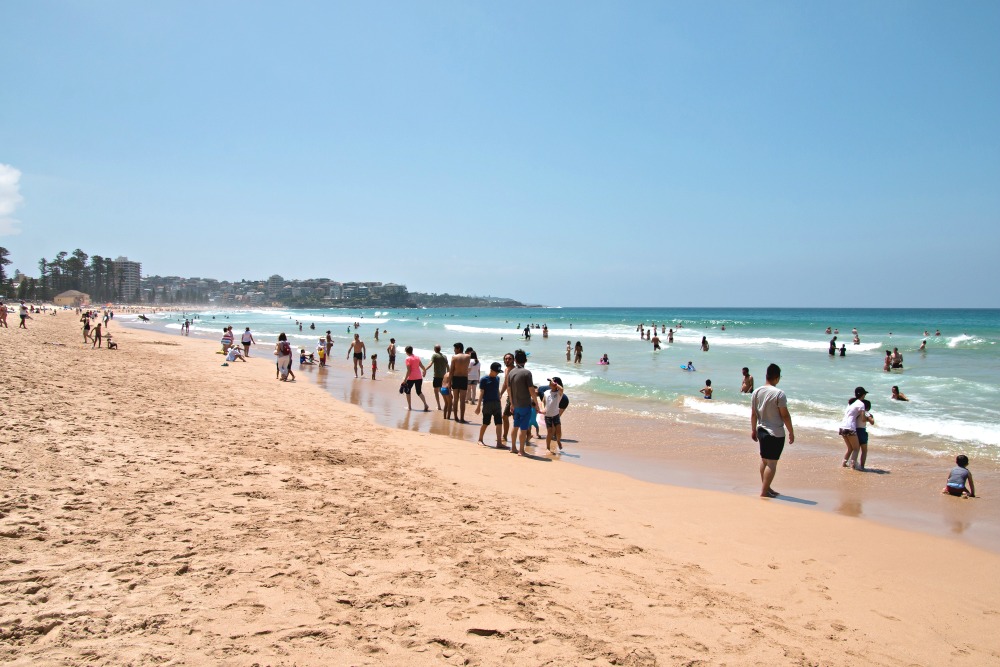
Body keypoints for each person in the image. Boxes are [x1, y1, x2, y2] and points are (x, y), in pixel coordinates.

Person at [750, 363, 794, 498]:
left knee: (764, 460)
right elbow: (785, 415)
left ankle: (767, 487)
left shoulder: (756, 392)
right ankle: (764, 491)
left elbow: (753, 414)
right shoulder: (779, 394)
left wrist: (753, 430)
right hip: (775, 432)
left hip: (761, 430)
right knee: (772, 463)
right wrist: (791, 431)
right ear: (777, 377)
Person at [506, 350, 537, 456]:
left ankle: (513, 447)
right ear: (526, 360)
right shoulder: (527, 373)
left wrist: (511, 403)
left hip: (515, 404)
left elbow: (509, 389)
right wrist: (536, 402)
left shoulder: (511, 372)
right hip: (525, 405)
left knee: (515, 426)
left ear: (515, 360)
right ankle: (521, 450)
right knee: (523, 429)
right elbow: (531, 390)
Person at [839, 387, 869, 470]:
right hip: (850, 427)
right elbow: (863, 419)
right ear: (862, 394)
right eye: (865, 394)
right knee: (856, 448)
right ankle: (852, 466)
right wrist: (868, 419)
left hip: (842, 427)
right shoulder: (861, 404)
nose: (865, 395)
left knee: (850, 448)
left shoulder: (851, 402)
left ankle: (844, 464)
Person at [476, 362, 505, 447]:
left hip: (496, 403)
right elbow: (481, 393)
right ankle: (480, 439)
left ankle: (499, 442)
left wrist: (500, 398)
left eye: (498, 372)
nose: (497, 373)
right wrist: (478, 406)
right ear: (491, 370)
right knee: (485, 422)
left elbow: (497, 389)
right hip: (487, 404)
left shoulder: (497, 379)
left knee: (499, 423)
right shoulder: (484, 379)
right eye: (496, 372)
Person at [537, 377, 564, 454]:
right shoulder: (546, 392)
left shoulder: (559, 393)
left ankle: (558, 441)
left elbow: (561, 389)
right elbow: (542, 401)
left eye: (551, 382)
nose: (550, 383)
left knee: (558, 431)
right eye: (550, 382)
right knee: (550, 432)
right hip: (548, 416)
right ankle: (547, 448)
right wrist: (542, 409)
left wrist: (554, 382)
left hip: (556, 415)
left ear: (556, 384)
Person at [402, 345, 430, 411]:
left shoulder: (407, 359)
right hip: (419, 377)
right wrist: (424, 372)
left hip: (411, 378)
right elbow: (422, 366)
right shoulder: (417, 357)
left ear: (406, 352)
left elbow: (409, 371)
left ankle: (409, 407)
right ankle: (425, 404)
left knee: (407, 391)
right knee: (419, 392)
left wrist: (405, 380)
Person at [449, 342, 471, 422]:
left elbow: (451, 371)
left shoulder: (454, 357)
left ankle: (455, 417)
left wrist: (449, 383)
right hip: (464, 379)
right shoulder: (468, 356)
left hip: (455, 378)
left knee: (455, 399)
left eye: (455, 348)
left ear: (458, 348)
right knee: (462, 400)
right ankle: (462, 418)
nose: (454, 350)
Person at [500, 352, 516, 443]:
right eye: (506, 358)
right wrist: (501, 393)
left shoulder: (515, 370)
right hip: (509, 397)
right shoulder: (506, 370)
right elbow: (506, 383)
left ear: (513, 360)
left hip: (515, 397)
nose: (507, 360)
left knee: (510, 417)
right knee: (506, 416)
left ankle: (505, 436)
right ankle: (505, 436)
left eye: (510, 358)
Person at [427, 345, 449, 410]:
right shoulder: (444, 356)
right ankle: (448, 403)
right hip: (443, 377)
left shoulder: (435, 355)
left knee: (436, 391)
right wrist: (448, 375)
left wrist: (424, 369)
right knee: (443, 391)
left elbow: (430, 364)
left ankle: (439, 406)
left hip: (437, 376)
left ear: (435, 349)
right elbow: (448, 367)